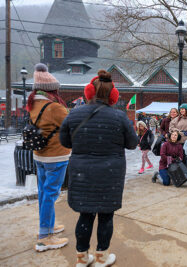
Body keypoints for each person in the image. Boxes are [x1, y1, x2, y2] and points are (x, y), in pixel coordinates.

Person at [59, 69, 138, 266]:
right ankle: (102, 256)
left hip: (81, 173)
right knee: (105, 215)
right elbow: (132, 143)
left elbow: (65, 142)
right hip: (109, 175)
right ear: (113, 96)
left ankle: (82, 258)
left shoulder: (74, 114)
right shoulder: (120, 117)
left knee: (85, 215)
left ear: (88, 93)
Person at [26, 63, 71, 252]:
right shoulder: (53, 107)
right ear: (51, 90)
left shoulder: (33, 103)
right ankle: (44, 237)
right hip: (56, 157)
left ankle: (48, 227)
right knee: (50, 195)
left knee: (44, 193)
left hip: (40, 156)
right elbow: (71, 124)